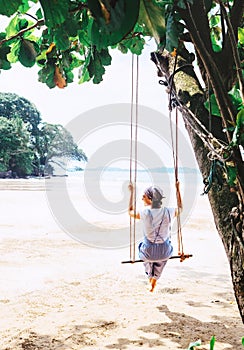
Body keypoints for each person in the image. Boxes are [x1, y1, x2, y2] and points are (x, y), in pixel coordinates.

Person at [128, 183, 182, 292]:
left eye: (144, 196)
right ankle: (155, 278)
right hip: (164, 252)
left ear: (150, 198)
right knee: (163, 255)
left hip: (148, 252)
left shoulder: (144, 213)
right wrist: (178, 190)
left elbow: (130, 212)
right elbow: (180, 208)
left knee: (143, 248)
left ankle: (150, 275)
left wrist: (132, 192)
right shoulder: (169, 211)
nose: (142, 198)